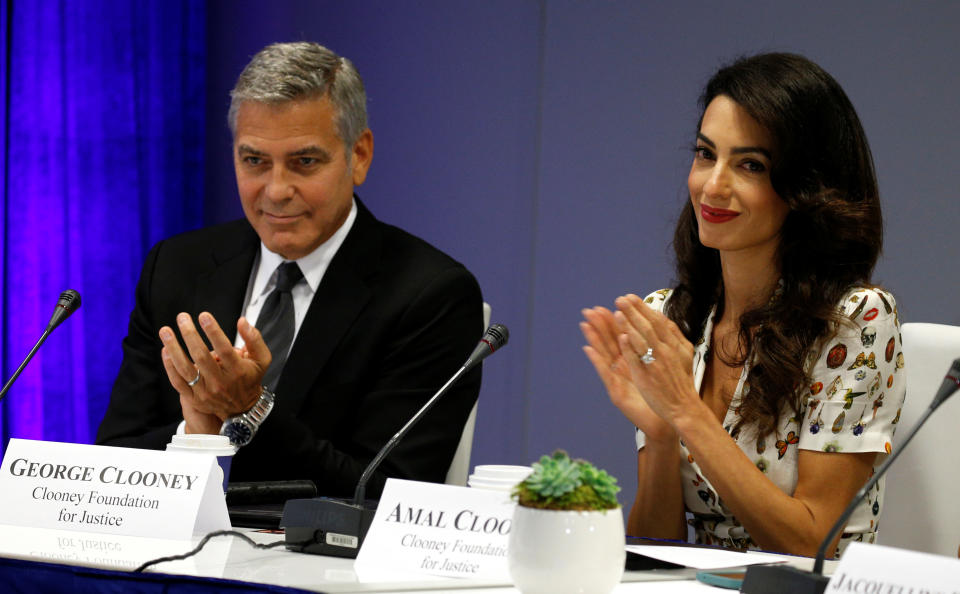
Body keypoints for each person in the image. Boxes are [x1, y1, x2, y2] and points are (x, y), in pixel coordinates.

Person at [96, 42, 483, 498]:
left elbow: (385, 493)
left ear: (358, 156)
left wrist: (251, 411)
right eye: (254, 161)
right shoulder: (178, 267)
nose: (276, 191)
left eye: (305, 162)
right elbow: (114, 457)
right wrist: (197, 434)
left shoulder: (429, 296)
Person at [580, 53, 904, 557]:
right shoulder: (671, 317)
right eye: (706, 154)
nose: (713, 186)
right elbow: (655, 554)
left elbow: (810, 543)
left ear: (808, 190)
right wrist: (661, 437)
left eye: (750, 165)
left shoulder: (855, 320)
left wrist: (688, 414)